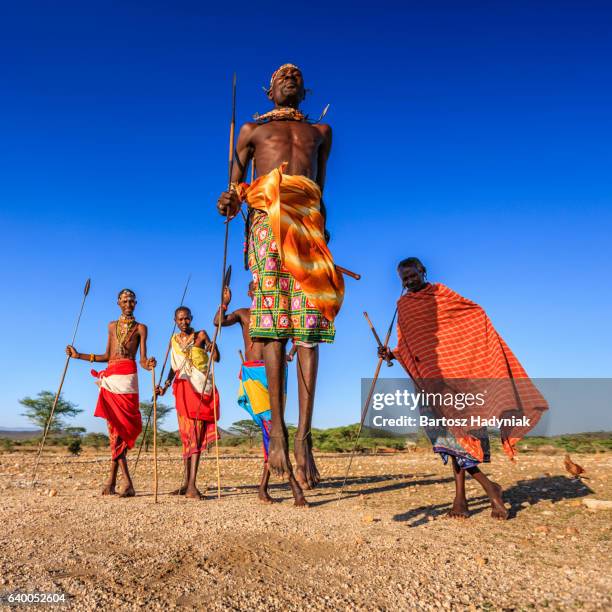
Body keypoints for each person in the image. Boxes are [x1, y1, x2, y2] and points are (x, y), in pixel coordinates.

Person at [216, 64, 345, 497]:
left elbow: (319, 189)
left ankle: (305, 439)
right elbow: (235, 191)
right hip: (267, 229)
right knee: (272, 332)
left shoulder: (320, 132)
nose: (288, 76)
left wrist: (322, 233)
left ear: (304, 90)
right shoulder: (251, 130)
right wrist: (228, 200)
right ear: (269, 90)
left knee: (309, 332)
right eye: (280, 75)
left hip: (308, 228)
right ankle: (280, 439)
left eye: (296, 75)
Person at [378, 258, 547, 519]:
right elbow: (409, 346)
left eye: (412, 275)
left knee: (463, 438)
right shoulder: (403, 307)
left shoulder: (442, 295)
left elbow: (474, 314)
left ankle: (478, 494)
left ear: (423, 272)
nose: (409, 281)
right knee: (448, 440)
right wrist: (390, 354)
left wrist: (460, 356)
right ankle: (475, 493)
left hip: (461, 379)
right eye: (404, 279)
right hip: (431, 383)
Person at [214, 283, 307, 505]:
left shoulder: (280, 314)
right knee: (270, 426)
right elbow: (218, 322)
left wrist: (291, 353)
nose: (262, 290)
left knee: (277, 425)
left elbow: (299, 337)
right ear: (250, 293)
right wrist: (225, 302)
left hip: (276, 373)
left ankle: (263, 488)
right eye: (257, 287)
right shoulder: (244, 313)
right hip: (254, 372)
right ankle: (294, 487)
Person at [66, 288, 156, 497]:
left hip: (129, 379)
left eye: (131, 301)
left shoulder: (142, 328)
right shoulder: (111, 326)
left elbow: (142, 360)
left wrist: (148, 363)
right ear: (118, 303)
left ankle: (122, 482)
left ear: (136, 303)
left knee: (121, 430)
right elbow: (107, 355)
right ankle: (115, 482)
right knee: (115, 430)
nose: (128, 304)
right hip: (111, 377)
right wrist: (78, 355)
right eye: (124, 301)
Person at [156, 306, 220, 500]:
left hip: (199, 389)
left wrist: (212, 348)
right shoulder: (173, 340)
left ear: (191, 318)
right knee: (187, 436)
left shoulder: (201, 335)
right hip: (181, 389)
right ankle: (186, 484)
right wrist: (165, 386)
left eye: (186, 319)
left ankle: (192, 484)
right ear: (175, 321)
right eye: (180, 319)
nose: (184, 322)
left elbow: (216, 358)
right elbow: (173, 367)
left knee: (196, 434)